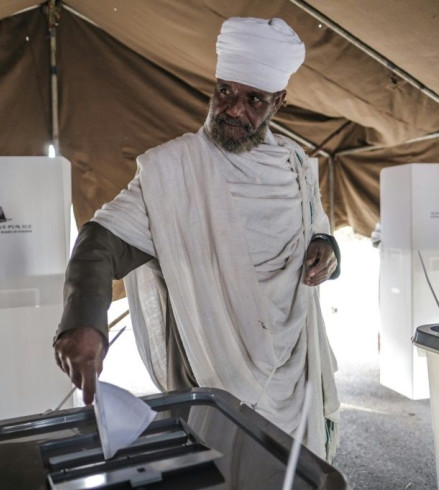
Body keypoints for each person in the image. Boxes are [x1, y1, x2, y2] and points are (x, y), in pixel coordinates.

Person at [54, 16, 342, 460]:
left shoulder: (296, 165)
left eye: (253, 100)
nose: (232, 109)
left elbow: (316, 224)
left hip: (297, 373)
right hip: (214, 376)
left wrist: (328, 249)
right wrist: (83, 321)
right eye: (225, 91)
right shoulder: (174, 171)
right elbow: (100, 241)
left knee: (297, 474)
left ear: (278, 102)